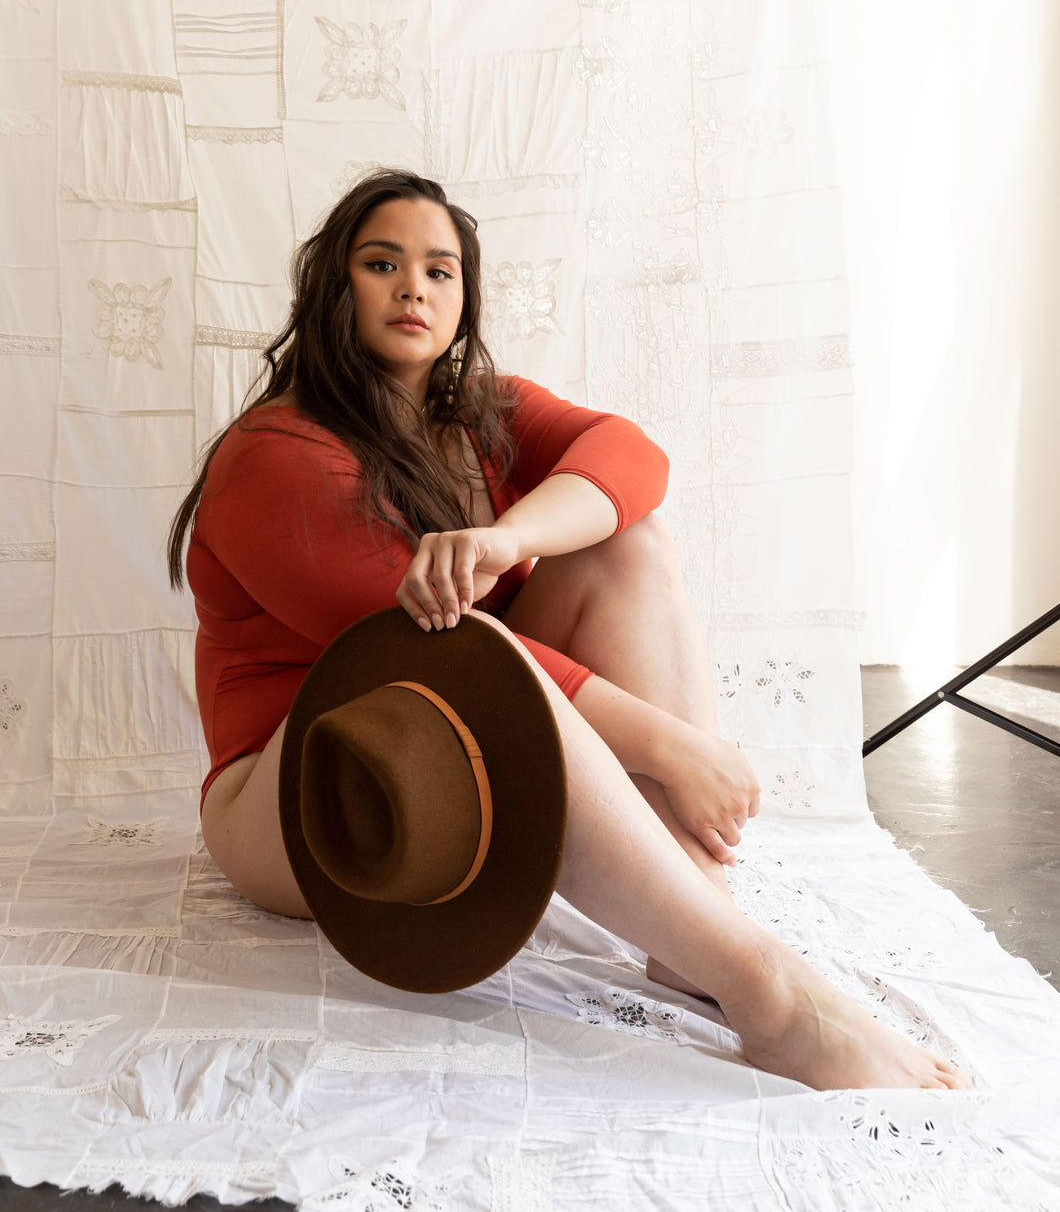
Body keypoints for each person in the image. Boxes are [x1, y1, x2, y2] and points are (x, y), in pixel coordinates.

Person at [168, 167, 969, 1093]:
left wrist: (510, 536)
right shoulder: (270, 454)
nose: (412, 288)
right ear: (332, 286)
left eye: (438, 271)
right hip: (301, 797)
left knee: (626, 543)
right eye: (381, 263)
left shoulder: (478, 416)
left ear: (464, 298)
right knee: (453, 648)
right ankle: (770, 995)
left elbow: (635, 458)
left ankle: (698, 934)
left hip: (458, 739)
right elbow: (436, 646)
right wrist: (669, 745)